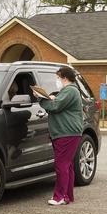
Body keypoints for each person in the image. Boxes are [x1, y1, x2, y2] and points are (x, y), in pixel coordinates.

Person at [39, 66, 84, 205]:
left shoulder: (70, 90)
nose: (56, 80)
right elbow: (57, 102)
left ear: (64, 78)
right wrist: (52, 97)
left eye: (58, 77)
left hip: (67, 133)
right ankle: (67, 196)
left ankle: (59, 197)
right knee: (67, 165)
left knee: (61, 165)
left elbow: (55, 106)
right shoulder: (67, 91)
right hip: (66, 133)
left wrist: (40, 99)